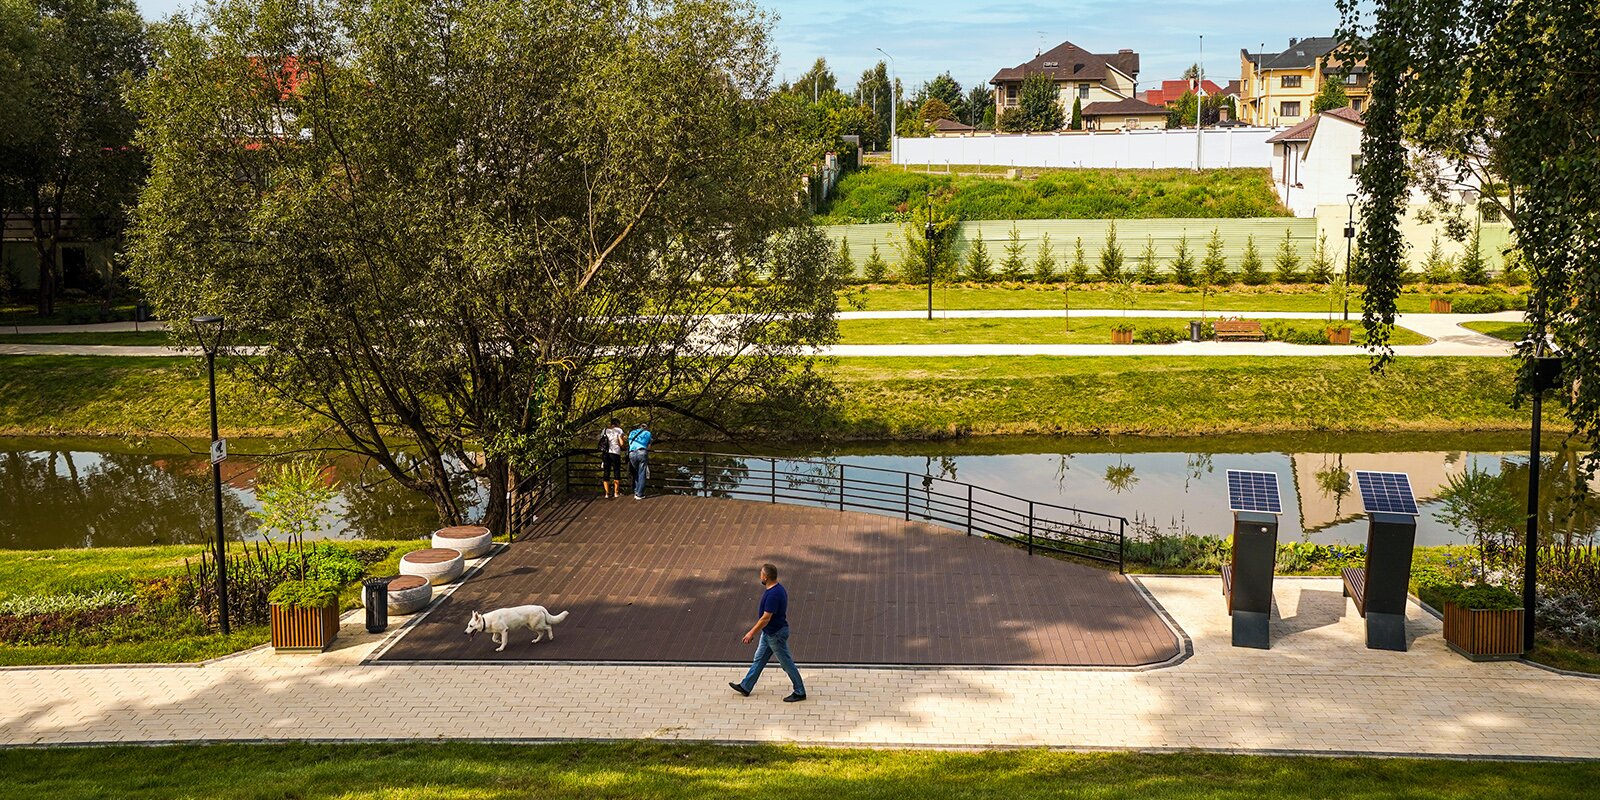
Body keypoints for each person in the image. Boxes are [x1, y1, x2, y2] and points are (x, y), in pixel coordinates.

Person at [729, 562, 806, 702]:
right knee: (759, 659)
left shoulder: (773, 595)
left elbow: (766, 618)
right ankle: (746, 686)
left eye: (761, 574)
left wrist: (751, 633)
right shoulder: (778, 589)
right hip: (769, 633)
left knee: (786, 663)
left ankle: (800, 691)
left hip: (775, 634)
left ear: (766, 577)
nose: (760, 576)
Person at [599, 418, 625, 498]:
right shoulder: (619, 430)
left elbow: (601, 440)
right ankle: (616, 493)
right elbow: (621, 443)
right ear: (617, 423)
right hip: (615, 453)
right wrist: (624, 447)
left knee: (606, 472)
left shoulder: (605, 430)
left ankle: (607, 493)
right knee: (616, 471)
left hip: (605, 453)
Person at [626, 421, 652, 500]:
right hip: (642, 452)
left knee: (636, 472)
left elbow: (629, 443)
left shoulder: (632, 433)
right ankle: (640, 494)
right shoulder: (648, 433)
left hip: (632, 453)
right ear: (646, 428)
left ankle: (636, 491)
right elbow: (649, 446)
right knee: (642, 472)